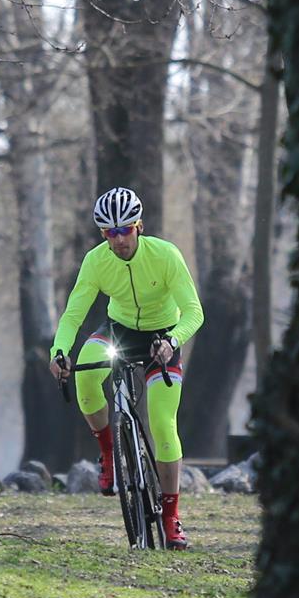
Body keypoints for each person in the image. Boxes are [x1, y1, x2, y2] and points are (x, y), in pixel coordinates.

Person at [48, 187, 204, 549]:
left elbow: (195, 311)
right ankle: (108, 452)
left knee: (164, 424)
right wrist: (59, 352)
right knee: (87, 370)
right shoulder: (96, 261)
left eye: (124, 230)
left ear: (139, 226)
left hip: (162, 339)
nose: (118, 240)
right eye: (109, 232)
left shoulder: (165, 256)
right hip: (118, 330)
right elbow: (74, 313)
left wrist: (173, 341)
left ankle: (170, 517)